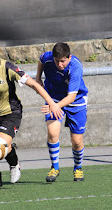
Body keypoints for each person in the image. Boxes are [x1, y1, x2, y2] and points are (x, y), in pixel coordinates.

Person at [0, 30, 63, 189]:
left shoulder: (7, 67)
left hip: (11, 114)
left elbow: (34, 84)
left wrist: (51, 103)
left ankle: (14, 164)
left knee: (0, 144)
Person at [36, 42, 88, 182]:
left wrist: (55, 106)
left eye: (63, 61)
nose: (60, 64)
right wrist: (38, 77)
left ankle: (77, 168)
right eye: (57, 61)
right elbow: (41, 60)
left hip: (75, 101)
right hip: (53, 98)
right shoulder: (47, 58)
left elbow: (71, 96)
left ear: (69, 57)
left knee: (77, 141)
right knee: (52, 132)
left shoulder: (75, 66)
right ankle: (55, 167)